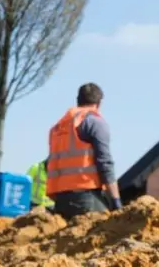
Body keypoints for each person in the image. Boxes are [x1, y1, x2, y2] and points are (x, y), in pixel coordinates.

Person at [45, 83, 120, 217]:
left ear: (78, 101)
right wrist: (116, 201)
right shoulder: (95, 122)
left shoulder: (58, 127)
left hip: (60, 200)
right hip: (86, 198)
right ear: (99, 103)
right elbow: (105, 163)